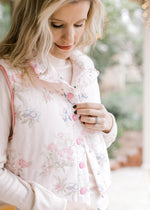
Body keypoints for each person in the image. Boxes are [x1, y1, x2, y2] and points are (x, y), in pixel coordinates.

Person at [0, 0, 117, 210]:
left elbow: (82, 144)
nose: (70, 38)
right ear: (32, 21)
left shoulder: (85, 67)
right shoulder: (7, 76)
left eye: (79, 24)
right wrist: (59, 206)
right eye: (57, 25)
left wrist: (108, 124)